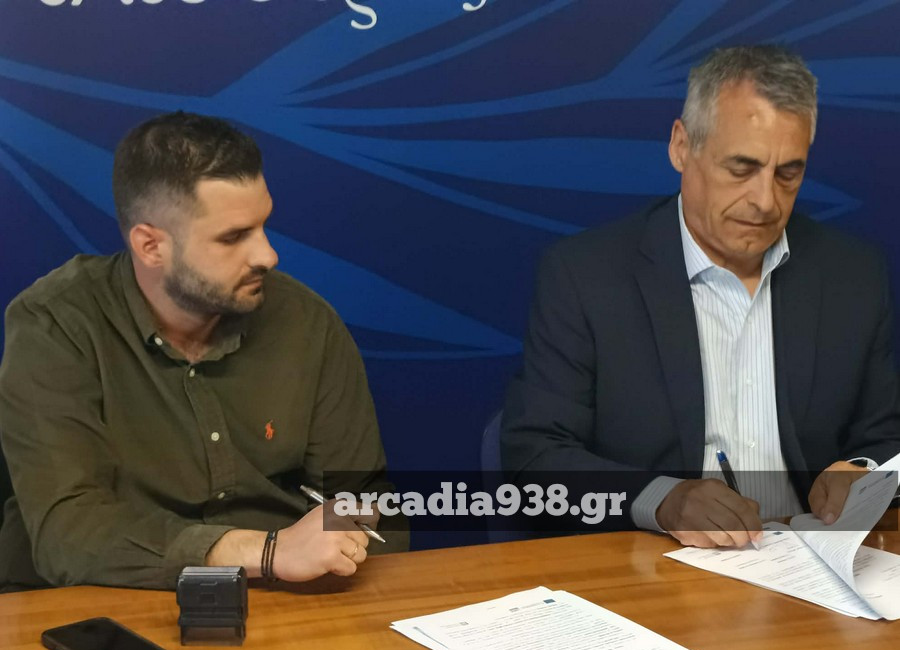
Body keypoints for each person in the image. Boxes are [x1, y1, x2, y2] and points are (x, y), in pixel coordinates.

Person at [502, 45, 900, 549]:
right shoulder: (585, 276)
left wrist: (863, 471)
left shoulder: (853, 275)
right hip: (655, 565)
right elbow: (534, 456)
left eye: (788, 173)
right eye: (741, 168)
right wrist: (661, 500)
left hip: (812, 564)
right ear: (681, 146)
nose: (765, 201)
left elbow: (885, 436)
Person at [0, 112, 407, 591]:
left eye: (263, 226)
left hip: (282, 601)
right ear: (151, 246)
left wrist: (342, 546)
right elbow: (67, 532)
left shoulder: (307, 322)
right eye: (233, 237)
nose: (267, 255)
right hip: (102, 603)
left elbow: (360, 497)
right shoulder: (56, 325)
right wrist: (266, 551)